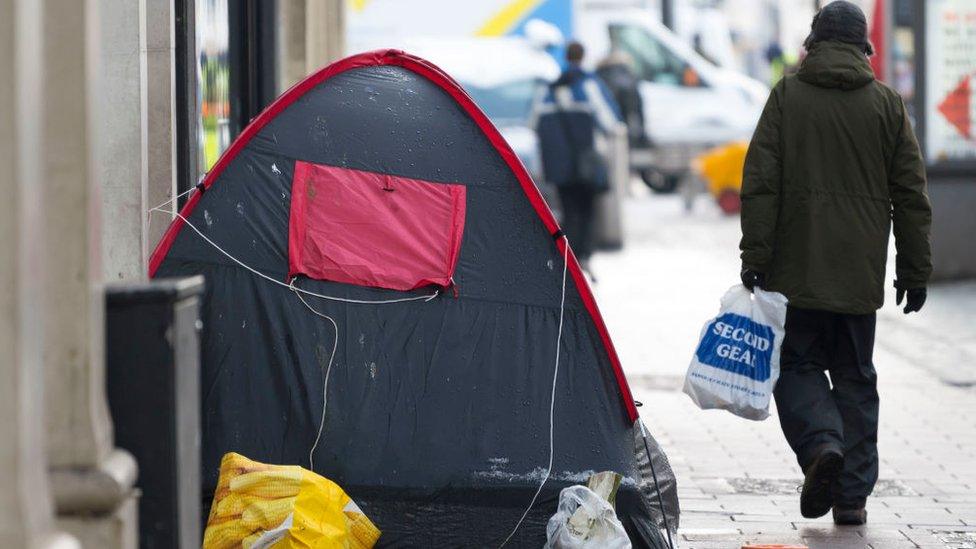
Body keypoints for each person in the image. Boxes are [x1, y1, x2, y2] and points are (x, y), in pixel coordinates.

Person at [738, 1, 931, 526]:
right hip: (857, 276)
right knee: (855, 376)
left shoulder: (786, 98)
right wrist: (914, 270)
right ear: (863, 48)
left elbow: (760, 183)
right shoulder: (887, 106)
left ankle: (821, 444)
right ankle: (851, 498)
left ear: (813, 43)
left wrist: (755, 255)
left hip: (795, 272)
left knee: (796, 367)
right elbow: (911, 194)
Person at [535, 41, 621, 279]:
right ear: (583, 57)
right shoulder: (589, 84)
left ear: (566, 57)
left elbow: (533, 123)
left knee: (568, 209)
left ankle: (568, 260)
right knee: (587, 211)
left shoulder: (547, 89)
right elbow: (610, 121)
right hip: (586, 164)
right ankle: (584, 258)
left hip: (558, 165)